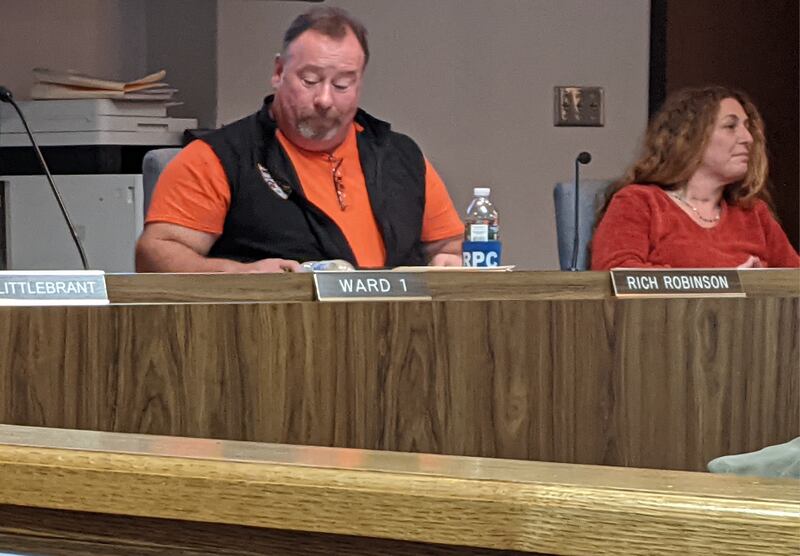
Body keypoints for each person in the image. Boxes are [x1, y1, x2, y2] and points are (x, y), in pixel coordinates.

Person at [135, 7, 463, 273]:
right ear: (279, 72)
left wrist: (450, 263)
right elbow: (156, 255)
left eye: (342, 85)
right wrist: (240, 275)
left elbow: (450, 247)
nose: (323, 99)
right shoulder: (219, 157)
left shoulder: (400, 156)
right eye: (310, 80)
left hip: (394, 338)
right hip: (272, 338)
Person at [591, 85, 799, 270]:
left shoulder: (753, 213)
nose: (748, 138)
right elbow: (618, 274)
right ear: (689, 137)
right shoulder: (638, 202)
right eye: (730, 126)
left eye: (747, 127)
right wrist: (727, 284)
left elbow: (794, 282)